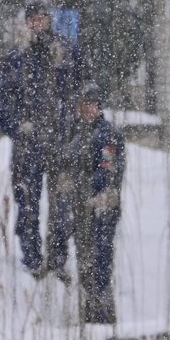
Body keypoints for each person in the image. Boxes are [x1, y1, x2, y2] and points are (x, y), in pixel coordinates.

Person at [0, 0, 83, 277]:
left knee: (62, 205)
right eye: (32, 19)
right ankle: (32, 258)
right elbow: (1, 96)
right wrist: (17, 126)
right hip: (28, 146)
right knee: (27, 202)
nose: (37, 23)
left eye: (41, 18)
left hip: (61, 142)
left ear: (49, 20)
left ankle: (57, 259)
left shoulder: (65, 52)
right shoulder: (17, 58)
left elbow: (83, 90)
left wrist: (72, 124)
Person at [71, 83, 124, 324]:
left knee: (101, 255)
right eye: (83, 104)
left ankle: (101, 309)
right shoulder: (78, 133)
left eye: (90, 104)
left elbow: (108, 169)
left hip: (102, 205)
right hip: (83, 207)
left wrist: (87, 188)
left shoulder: (107, 134)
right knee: (86, 257)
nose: (86, 109)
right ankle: (91, 304)